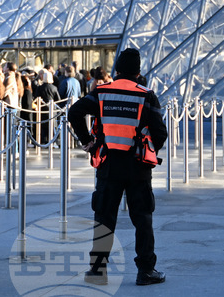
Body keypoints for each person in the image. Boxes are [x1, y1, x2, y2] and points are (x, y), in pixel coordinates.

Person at [67, 48, 167, 286]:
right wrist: (148, 149)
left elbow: (74, 112)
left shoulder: (102, 92)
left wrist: (89, 143)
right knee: (142, 219)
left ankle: (97, 271)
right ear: (138, 71)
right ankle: (146, 271)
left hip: (108, 166)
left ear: (117, 70)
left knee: (104, 219)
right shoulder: (146, 95)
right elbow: (161, 133)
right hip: (137, 167)